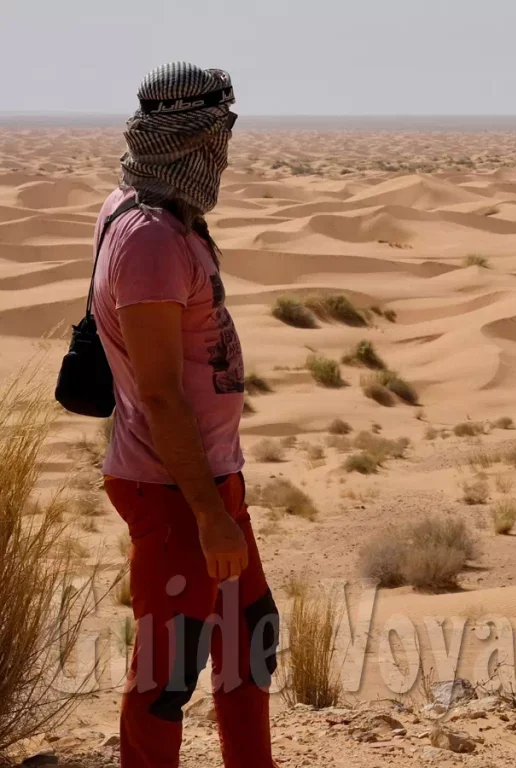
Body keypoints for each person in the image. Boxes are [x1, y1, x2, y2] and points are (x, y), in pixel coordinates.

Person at [92, 62, 278, 768]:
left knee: (249, 634)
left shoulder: (156, 213)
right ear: (198, 137)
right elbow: (162, 393)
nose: (225, 151)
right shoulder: (147, 239)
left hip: (204, 480)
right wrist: (207, 513)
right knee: (166, 675)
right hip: (175, 489)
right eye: (220, 133)